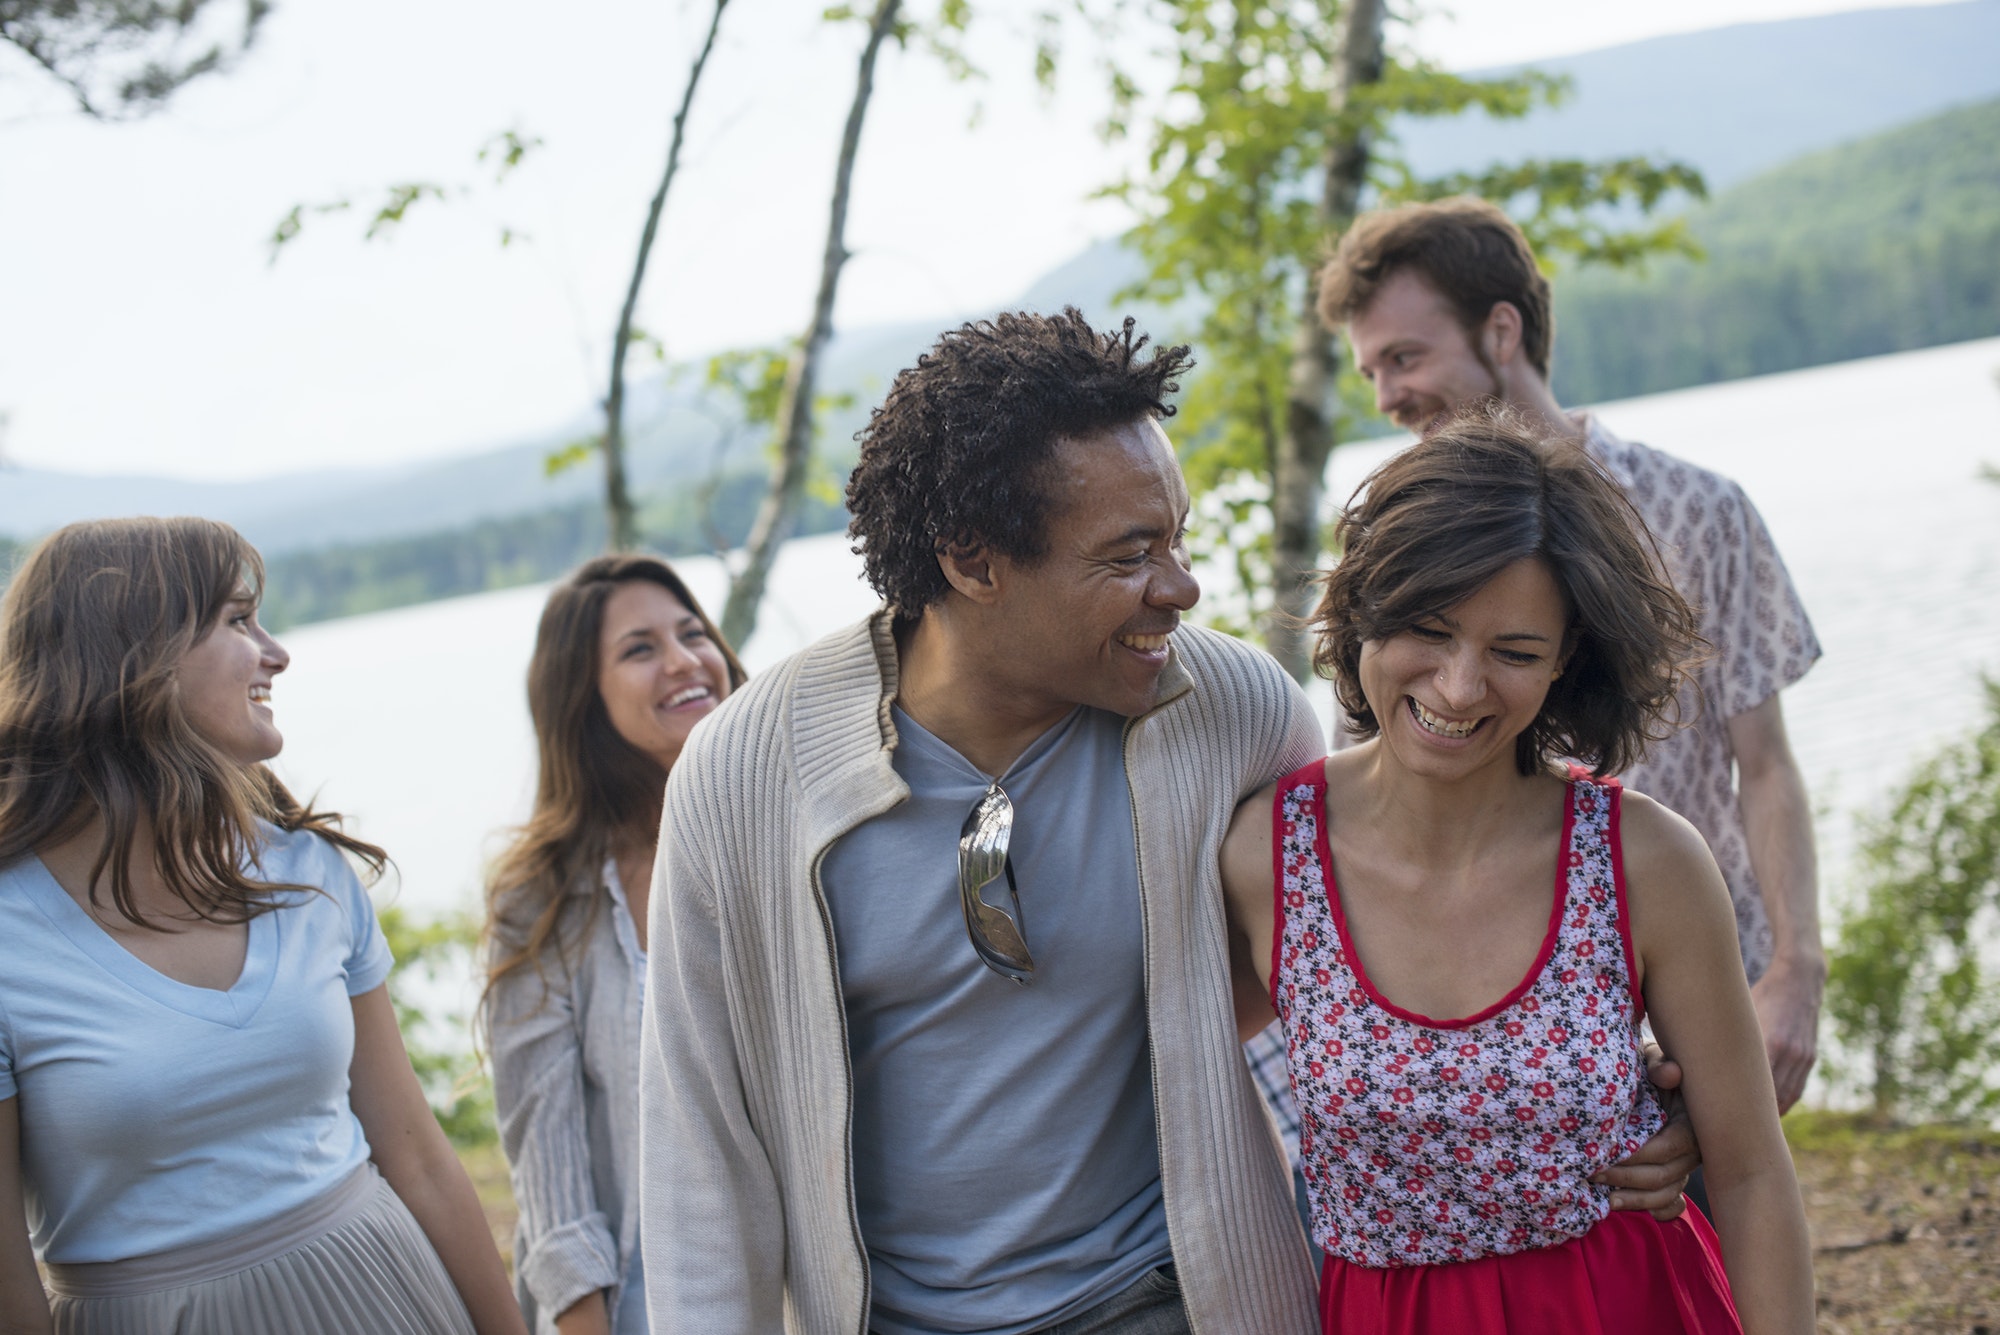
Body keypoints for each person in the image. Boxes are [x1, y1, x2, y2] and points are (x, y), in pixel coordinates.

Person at [636, 308, 1692, 1335]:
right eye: (1129, 553)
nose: (1179, 588)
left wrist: (1613, 1087)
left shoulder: (1236, 715)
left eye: (1175, 538)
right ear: (973, 561)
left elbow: (1381, 954)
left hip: (1172, 1296)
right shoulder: (745, 772)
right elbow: (699, 1142)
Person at [1221, 414, 1813, 1333]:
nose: (1460, 688)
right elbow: (1161, 1070)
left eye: (1515, 652)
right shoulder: (1267, 854)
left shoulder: (1647, 861)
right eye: (1429, 627)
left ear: (1566, 659)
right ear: (1366, 605)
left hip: (1630, 1304)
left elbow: (1748, 1170)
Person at [1316, 198, 1825, 1119]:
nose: (1386, 394)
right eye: (1370, 370)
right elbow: (1370, 794)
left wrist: (1797, 967)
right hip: (1499, 1048)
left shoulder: (1698, 511)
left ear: (1501, 330)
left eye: (1404, 356)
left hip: (1699, 1016)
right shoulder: (1394, 548)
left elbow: (1768, 765)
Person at [0, 517, 525, 1335]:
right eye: (238, 621)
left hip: (395, 1298)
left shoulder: (309, 870)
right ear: (136, 652)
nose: (276, 652)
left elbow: (416, 1154)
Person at [481, 555, 745, 1335]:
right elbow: (548, 1159)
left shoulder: (801, 828)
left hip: (826, 1282)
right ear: (584, 699)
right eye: (640, 648)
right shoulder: (542, 898)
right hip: (652, 1299)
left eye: (692, 632)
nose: (684, 660)